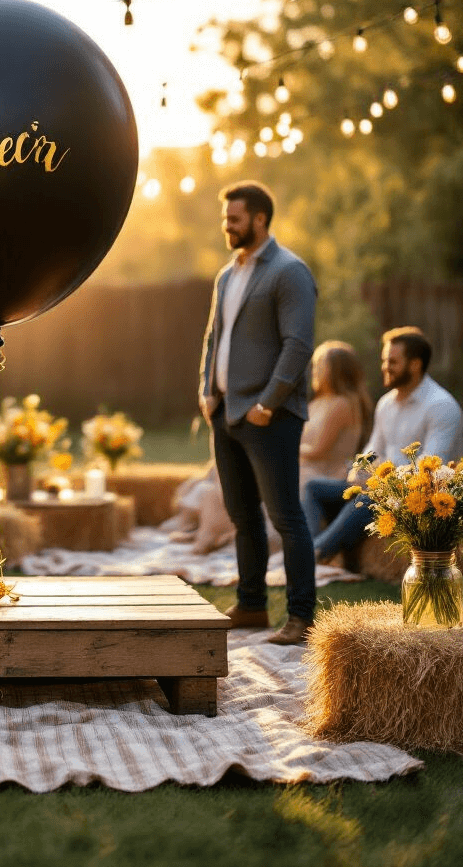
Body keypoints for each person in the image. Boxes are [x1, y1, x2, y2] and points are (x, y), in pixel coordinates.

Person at [199, 181, 318, 645]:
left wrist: (269, 403)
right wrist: (206, 391)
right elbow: (214, 338)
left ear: (260, 219)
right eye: (225, 218)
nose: (227, 226)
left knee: (286, 516)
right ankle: (251, 605)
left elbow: (298, 345)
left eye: (235, 218)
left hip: (270, 416)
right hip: (226, 414)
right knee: (242, 514)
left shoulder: (289, 272)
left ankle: (302, 615)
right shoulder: (227, 275)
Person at [309, 326, 463, 562]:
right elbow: (372, 450)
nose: (384, 367)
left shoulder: (441, 406)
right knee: (314, 488)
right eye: (384, 360)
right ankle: (315, 550)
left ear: (415, 364)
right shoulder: (386, 404)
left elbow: (432, 469)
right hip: (380, 488)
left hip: (421, 498)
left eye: (392, 361)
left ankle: (312, 555)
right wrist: (358, 471)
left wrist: (380, 484)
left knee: (368, 498)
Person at [299, 340, 372, 502]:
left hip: (327, 474)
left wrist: (284, 449)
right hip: (306, 467)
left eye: (320, 365)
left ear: (336, 370)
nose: (314, 371)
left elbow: (318, 450)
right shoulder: (315, 402)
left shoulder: (343, 403)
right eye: (315, 364)